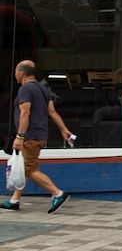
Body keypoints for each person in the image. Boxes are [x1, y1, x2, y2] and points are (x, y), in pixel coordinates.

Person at [1, 60, 72, 213]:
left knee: (30, 169)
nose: (14, 74)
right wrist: (64, 129)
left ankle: (57, 193)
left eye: (15, 71)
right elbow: (52, 112)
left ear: (21, 72)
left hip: (30, 136)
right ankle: (14, 200)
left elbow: (25, 113)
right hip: (39, 134)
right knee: (25, 167)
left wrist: (20, 136)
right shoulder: (43, 88)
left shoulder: (25, 89)